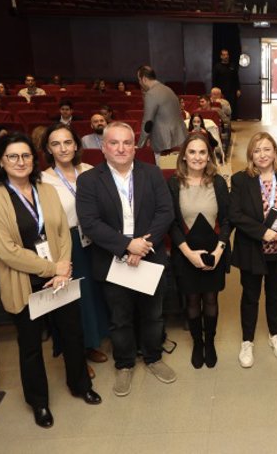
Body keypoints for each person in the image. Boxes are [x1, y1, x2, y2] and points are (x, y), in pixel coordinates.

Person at [0, 133, 100, 429]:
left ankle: (80, 385)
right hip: (24, 282)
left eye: (26, 156)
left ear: (34, 160)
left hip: (59, 278)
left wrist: (62, 270)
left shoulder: (45, 189)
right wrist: (51, 268)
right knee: (31, 346)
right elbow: (7, 250)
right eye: (13, 156)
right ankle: (39, 403)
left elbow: (61, 232)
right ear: (1, 161)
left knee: (72, 334)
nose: (20, 162)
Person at [76, 122, 176, 397]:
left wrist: (141, 246)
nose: (121, 148)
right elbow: (90, 223)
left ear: (135, 147)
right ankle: (125, 363)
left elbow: (165, 212)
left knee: (153, 315)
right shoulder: (88, 180)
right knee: (120, 318)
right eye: (114, 143)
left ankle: (153, 357)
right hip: (112, 260)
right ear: (103, 147)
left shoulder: (153, 174)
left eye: (127, 143)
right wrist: (126, 245)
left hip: (150, 255)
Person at [229, 132, 277, 367]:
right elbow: (235, 215)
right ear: (251, 153)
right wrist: (262, 232)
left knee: (275, 295)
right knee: (250, 296)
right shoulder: (241, 179)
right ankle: (247, 341)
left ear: (275, 152)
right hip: (252, 249)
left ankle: (275, 335)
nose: (262, 154)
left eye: (267, 149)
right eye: (257, 150)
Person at [40, 124, 110, 372]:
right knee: (73, 300)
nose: (63, 148)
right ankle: (76, 353)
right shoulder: (43, 181)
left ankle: (91, 343)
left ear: (76, 145)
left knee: (94, 295)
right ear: (48, 148)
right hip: (67, 243)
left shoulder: (90, 171)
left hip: (95, 241)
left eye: (67, 142)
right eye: (56, 143)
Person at [167, 133, 230, 369]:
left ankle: (210, 342)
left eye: (202, 152)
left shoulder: (218, 182)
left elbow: (226, 221)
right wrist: (188, 254)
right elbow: (171, 223)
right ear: (183, 155)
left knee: (211, 298)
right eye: (192, 152)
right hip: (186, 253)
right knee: (192, 300)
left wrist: (218, 251)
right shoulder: (174, 184)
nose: (197, 157)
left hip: (214, 251)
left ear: (208, 155)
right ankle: (197, 343)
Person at [136, 65, 188, 164]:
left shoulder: (151, 93)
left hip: (164, 143)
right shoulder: (168, 89)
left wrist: (140, 145)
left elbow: (148, 123)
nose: (139, 83)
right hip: (179, 138)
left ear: (144, 79)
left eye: (139, 80)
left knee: (164, 174)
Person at [212, 49, 241, 119]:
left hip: (232, 91)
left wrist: (238, 89)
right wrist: (215, 91)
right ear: (221, 56)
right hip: (221, 92)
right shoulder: (217, 66)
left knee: (231, 108)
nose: (226, 56)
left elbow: (236, 78)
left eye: (227, 55)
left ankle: (230, 124)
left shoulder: (232, 66)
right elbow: (214, 79)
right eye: (224, 55)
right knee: (222, 108)